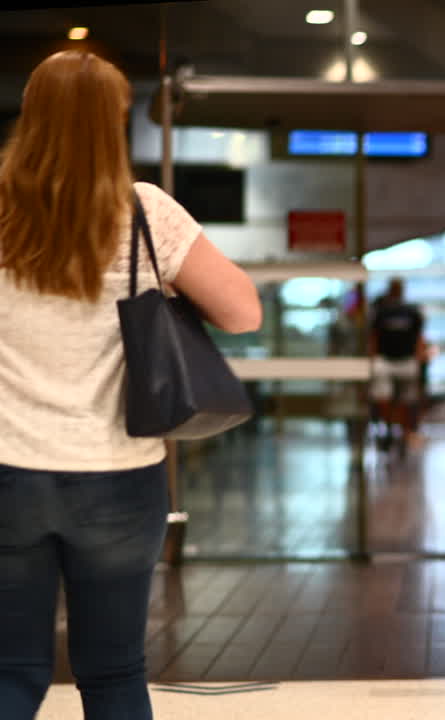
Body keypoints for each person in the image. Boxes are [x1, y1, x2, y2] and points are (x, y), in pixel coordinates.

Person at [0, 51, 262, 719]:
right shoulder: (145, 213)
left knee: (11, 669)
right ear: (111, 122)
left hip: (7, 470)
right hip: (117, 474)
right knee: (114, 672)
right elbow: (242, 312)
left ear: (31, 117)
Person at [369, 277, 428, 454]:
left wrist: (419, 356)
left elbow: (419, 337)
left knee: (406, 400)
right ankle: (387, 427)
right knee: (383, 396)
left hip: (406, 359)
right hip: (385, 360)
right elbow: (374, 336)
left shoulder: (411, 311)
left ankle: (404, 432)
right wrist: (372, 356)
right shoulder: (382, 311)